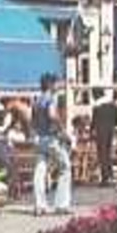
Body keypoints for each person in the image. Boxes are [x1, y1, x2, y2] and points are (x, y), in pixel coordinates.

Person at [30, 73, 72, 216]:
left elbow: (33, 122)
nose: (58, 86)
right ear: (50, 85)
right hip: (51, 138)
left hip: (39, 138)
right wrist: (63, 131)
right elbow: (52, 115)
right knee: (64, 166)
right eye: (56, 83)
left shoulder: (36, 101)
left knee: (40, 170)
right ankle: (61, 204)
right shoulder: (50, 99)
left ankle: (39, 205)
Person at [91, 90, 117, 186]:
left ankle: (105, 178)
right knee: (108, 153)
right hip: (110, 130)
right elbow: (116, 120)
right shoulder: (113, 105)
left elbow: (94, 121)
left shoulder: (97, 106)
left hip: (100, 132)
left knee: (102, 154)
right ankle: (111, 175)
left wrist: (92, 131)